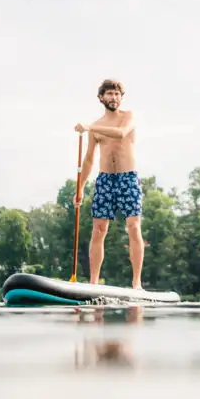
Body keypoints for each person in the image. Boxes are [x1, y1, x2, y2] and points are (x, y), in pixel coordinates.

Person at [74, 79, 144, 288]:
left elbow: (121, 133)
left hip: (128, 178)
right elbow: (88, 159)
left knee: (133, 227)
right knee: (98, 229)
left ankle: (137, 283)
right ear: (101, 98)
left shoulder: (128, 117)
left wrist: (89, 127)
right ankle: (93, 283)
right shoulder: (95, 128)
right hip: (105, 179)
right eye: (109, 94)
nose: (114, 98)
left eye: (117, 94)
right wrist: (80, 187)